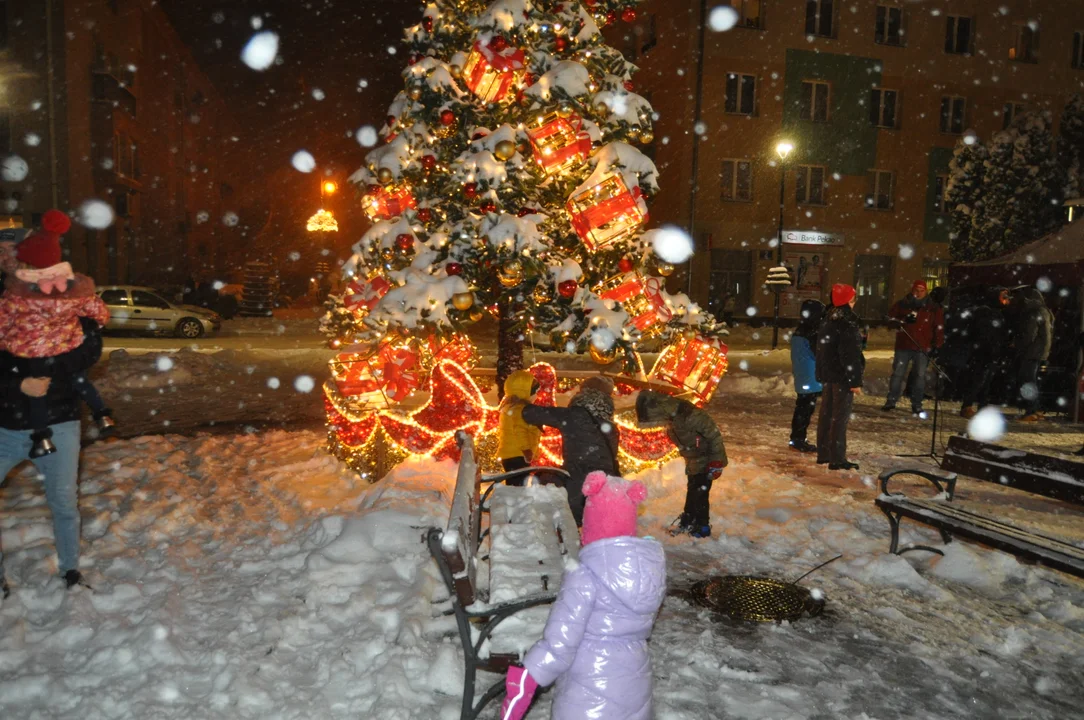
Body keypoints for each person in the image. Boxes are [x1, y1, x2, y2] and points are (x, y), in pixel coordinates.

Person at [500, 471, 665, 720]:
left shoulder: (585, 576)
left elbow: (560, 644)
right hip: (633, 681)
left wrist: (528, 675)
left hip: (588, 692)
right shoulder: (647, 571)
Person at [0, 210, 114, 457]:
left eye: (12, 249)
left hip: (62, 418)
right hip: (5, 423)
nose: (6, 257)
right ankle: (101, 414)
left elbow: (91, 346)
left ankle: (44, 438)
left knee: (62, 494)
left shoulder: (18, 294)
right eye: (0, 251)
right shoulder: (70, 289)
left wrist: (60, 362)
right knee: (76, 382)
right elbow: (99, 313)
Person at [515, 376, 619, 525]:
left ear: (583, 393)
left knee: (541, 479)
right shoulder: (611, 427)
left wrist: (521, 401)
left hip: (577, 485)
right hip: (606, 487)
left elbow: (530, 413)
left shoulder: (574, 415)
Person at [635, 390, 727, 538]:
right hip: (693, 459)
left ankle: (702, 526)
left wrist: (716, 462)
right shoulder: (674, 418)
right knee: (693, 491)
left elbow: (714, 436)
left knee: (700, 493)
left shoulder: (691, 416)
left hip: (707, 459)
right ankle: (689, 519)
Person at [815, 284, 865, 471]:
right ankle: (837, 458)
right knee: (839, 416)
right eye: (853, 298)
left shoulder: (829, 318)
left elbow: (822, 349)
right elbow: (850, 355)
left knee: (827, 414)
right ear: (849, 300)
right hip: (842, 375)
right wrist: (855, 380)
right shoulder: (848, 322)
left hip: (829, 373)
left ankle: (824, 453)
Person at [882, 280, 943, 416]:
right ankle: (891, 401)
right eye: (916, 289)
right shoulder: (902, 304)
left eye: (922, 290)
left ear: (926, 291)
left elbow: (938, 327)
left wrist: (937, 345)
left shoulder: (932, 308)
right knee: (898, 374)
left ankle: (917, 404)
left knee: (919, 376)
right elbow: (888, 319)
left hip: (922, 347)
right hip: (904, 345)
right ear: (912, 290)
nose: (918, 293)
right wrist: (901, 321)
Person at [956, 287, 1010, 419]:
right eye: (1003, 297)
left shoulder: (996, 313)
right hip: (984, 352)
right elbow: (984, 335)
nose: (1006, 300)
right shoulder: (986, 313)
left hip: (991, 352)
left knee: (986, 381)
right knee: (979, 380)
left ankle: (981, 406)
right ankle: (967, 406)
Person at [1012, 287, 1054, 422]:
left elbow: (1029, 335)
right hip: (1040, 353)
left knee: (1028, 382)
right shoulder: (1045, 311)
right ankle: (1035, 409)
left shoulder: (1033, 312)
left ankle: (1030, 411)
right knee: (1034, 381)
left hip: (1031, 353)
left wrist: (1017, 344)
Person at [789, 299, 825, 453]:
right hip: (810, 377)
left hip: (803, 375)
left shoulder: (801, 329)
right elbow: (819, 354)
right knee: (804, 410)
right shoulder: (811, 332)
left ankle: (797, 438)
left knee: (802, 408)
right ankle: (798, 440)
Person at [497, 369, 541, 485]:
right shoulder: (519, 409)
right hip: (518, 455)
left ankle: (513, 501)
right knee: (517, 486)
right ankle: (513, 502)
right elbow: (519, 430)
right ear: (525, 391)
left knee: (515, 484)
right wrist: (527, 450)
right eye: (534, 392)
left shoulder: (510, 407)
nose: (536, 395)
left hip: (512, 454)